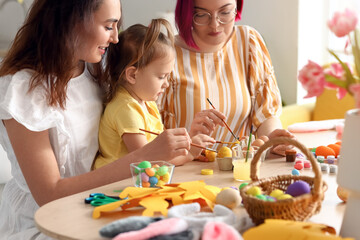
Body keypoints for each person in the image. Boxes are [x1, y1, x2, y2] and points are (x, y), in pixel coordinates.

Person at [0, 1, 213, 239]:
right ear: (72, 21)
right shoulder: (24, 90)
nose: (115, 38)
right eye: (108, 26)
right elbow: (49, 194)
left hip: (99, 203)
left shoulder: (96, 69)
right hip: (44, 221)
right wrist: (145, 156)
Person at [157, 0, 294, 155]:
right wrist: (190, 140)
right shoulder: (166, 54)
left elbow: (266, 114)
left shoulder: (248, 41)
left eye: (225, 12)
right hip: (185, 171)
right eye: (201, 14)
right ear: (187, 13)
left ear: (237, 8)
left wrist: (273, 138)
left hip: (240, 168)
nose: (215, 24)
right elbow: (152, 135)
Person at [93, 18, 220, 169]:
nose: (166, 83)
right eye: (161, 77)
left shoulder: (147, 104)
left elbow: (163, 152)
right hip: (113, 186)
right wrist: (189, 154)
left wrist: (189, 144)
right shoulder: (125, 109)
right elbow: (147, 160)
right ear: (132, 75)